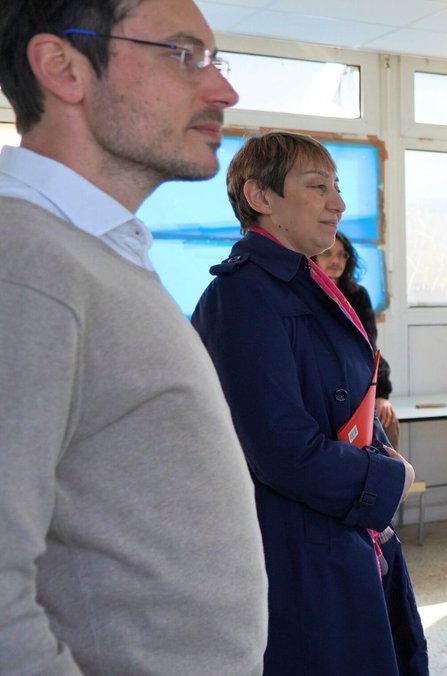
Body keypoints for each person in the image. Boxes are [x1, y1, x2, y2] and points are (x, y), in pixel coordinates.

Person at [0, 1, 268, 673]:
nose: (224, 90)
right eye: (183, 55)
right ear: (63, 68)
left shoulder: (93, 251)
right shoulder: (25, 266)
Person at [191, 131, 427, 675]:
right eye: (317, 186)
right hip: (297, 538)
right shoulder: (242, 296)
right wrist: (388, 478)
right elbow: (280, 450)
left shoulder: (305, 284)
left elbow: (346, 397)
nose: (339, 204)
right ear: (261, 198)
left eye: (338, 188)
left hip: (342, 522)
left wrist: (383, 455)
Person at [314, 231, 397, 441]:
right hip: (319, 386)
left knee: (388, 421)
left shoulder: (357, 295)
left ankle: (394, 473)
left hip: (356, 382)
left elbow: (368, 347)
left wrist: (380, 395)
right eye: (328, 253)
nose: (336, 261)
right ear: (313, 255)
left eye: (342, 255)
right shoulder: (305, 294)